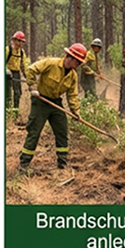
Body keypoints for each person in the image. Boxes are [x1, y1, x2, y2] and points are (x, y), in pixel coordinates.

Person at [20, 44, 87, 172]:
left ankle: (62, 164)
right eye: (78, 62)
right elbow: (30, 70)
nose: (78, 65)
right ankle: (24, 163)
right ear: (71, 58)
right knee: (34, 132)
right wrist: (32, 87)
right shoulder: (51, 63)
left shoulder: (73, 75)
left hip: (56, 103)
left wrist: (75, 111)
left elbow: (72, 95)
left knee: (62, 131)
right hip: (41, 101)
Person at [6, 31, 28, 112]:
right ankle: (7, 110)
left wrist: (27, 76)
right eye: (18, 41)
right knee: (8, 93)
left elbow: (24, 65)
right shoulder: (7, 50)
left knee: (18, 92)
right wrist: (6, 70)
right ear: (13, 40)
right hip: (7, 73)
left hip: (16, 73)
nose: (20, 43)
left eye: (22, 42)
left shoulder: (21, 52)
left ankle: (15, 110)